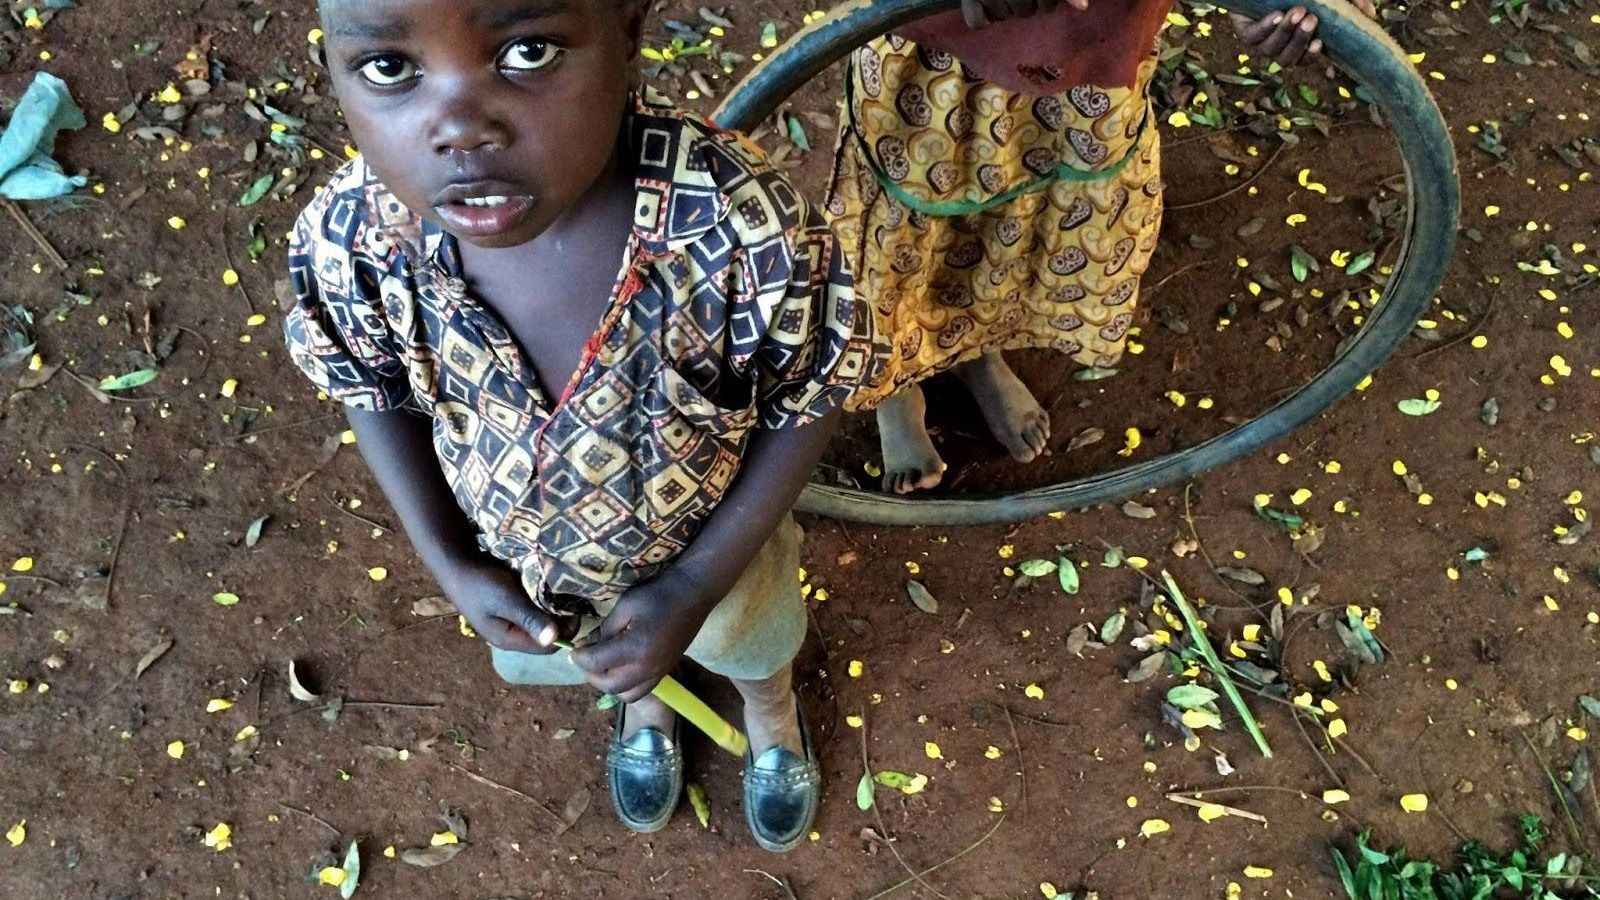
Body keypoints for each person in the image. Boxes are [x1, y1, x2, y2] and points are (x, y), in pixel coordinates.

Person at [284, 0, 883, 852]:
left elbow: (812, 387)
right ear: (335, 72)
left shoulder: (735, 227)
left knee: (751, 643)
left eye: (527, 51)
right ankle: (646, 699)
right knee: (621, 660)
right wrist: (451, 560)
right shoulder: (356, 238)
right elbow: (365, 379)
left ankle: (772, 717)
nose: (460, 127)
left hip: (720, 551)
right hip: (531, 577)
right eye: (389, 67)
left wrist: (692, 586)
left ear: (628, 35)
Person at [826, 0, 1371, 494]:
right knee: (909, 216)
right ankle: (893, 386)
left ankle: (975, 352)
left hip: (1091, 47)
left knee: (1019, 218)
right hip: (936, 45)